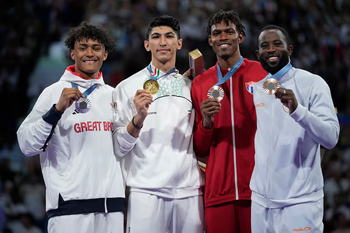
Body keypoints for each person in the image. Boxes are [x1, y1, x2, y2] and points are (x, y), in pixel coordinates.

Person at [16, 22, 125, 233]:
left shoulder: (115, 94)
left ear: (105, 54)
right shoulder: (53, 92)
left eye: (96, 47)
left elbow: (123, 147)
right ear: (72, 53)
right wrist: (55, 110)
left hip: (111, 207)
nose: (89, 53)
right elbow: (26, 144)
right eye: (83, 47)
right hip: (69, 206)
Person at [112, 14, 204, 233]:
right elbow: (119, 147)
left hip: (190, 192)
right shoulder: (126, 87)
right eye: (156, 37)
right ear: (147, 44)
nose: (163, 42)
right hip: (146, 191)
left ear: (179, 43)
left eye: (169, 36)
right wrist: (138, 120)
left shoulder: (192, 86)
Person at [250, 25, 340, 233]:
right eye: (265, 46)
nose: (271, 49)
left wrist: (298, 110)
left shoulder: (312, 83)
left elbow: (331, 137)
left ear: (289, 49)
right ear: (258, 54)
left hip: (300, 202)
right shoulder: (257, 89)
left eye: (277, 44)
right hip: (261, 203)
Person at [190, 10, 267, 233]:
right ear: (210, 40)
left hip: (258, 190)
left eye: (229, 31)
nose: (223, 36)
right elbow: (200, 149)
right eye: (217, 33)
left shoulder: (262, 73)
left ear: (240, 37)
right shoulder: (200, 83)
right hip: (218, 193)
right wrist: (206, 121)